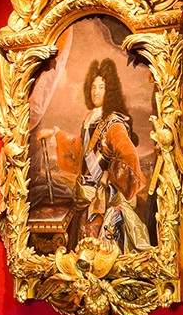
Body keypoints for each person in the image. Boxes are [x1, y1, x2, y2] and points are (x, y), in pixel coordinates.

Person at [36, 58, 150, 250]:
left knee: (99, 246)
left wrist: (110, 176)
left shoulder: (114, 123)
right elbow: (80, 147)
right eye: (93, 87)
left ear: (110, 90)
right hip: (86, 195)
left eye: (102, 87)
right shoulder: (90, 119)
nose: (96, 91)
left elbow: (129, 154)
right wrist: (55, 134)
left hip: (103, 200)